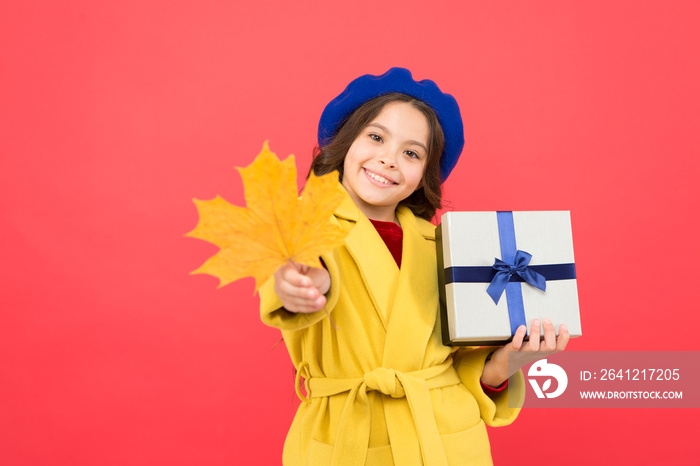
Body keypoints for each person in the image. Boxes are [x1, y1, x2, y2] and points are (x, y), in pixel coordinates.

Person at [259, 68, 569, 465]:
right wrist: (300, 286)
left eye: (411, 153)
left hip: (447, 441)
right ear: (344, 141)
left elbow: (458, 368)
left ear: (425, 173)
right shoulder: (303, 225)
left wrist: (508, 362)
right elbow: (290, 278)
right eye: (375, 137)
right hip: (348, 439)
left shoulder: (445, 247)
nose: (389, 159)